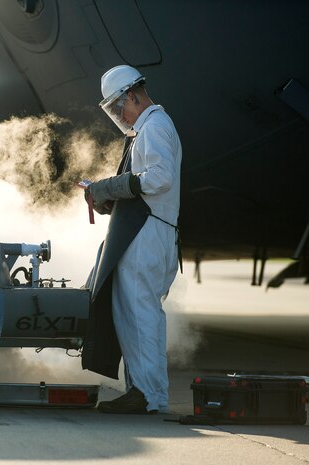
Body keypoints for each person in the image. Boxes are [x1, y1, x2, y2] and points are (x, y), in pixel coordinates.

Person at [84, 65, 182, 414]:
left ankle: (144, 395)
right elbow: (145, 184)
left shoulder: (153, 126)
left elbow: (159, 178)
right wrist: (110, 193)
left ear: (132, 95)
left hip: (146, 234)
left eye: (117, 107)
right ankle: (150, 395)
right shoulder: (150, 128)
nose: (119, 116)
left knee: (137, 315)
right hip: (150, 232)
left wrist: (110, 186)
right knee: (143, 315)